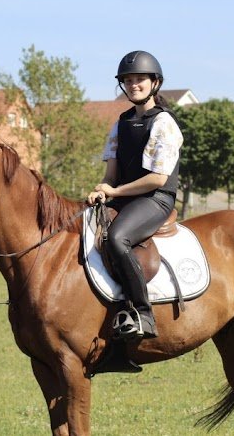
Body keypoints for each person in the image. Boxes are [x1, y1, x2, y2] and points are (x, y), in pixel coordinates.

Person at [87, 50, 183, 340]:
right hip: (125, 197)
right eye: (127, 81)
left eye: (139, 79)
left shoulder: (164, 123)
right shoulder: (121, 122)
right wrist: (101, 189)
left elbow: (157, 178)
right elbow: (111, 175)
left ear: (155, 83)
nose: (133, 85)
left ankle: (143, 313)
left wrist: (115, 191)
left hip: (156, 199)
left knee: (117, 238)